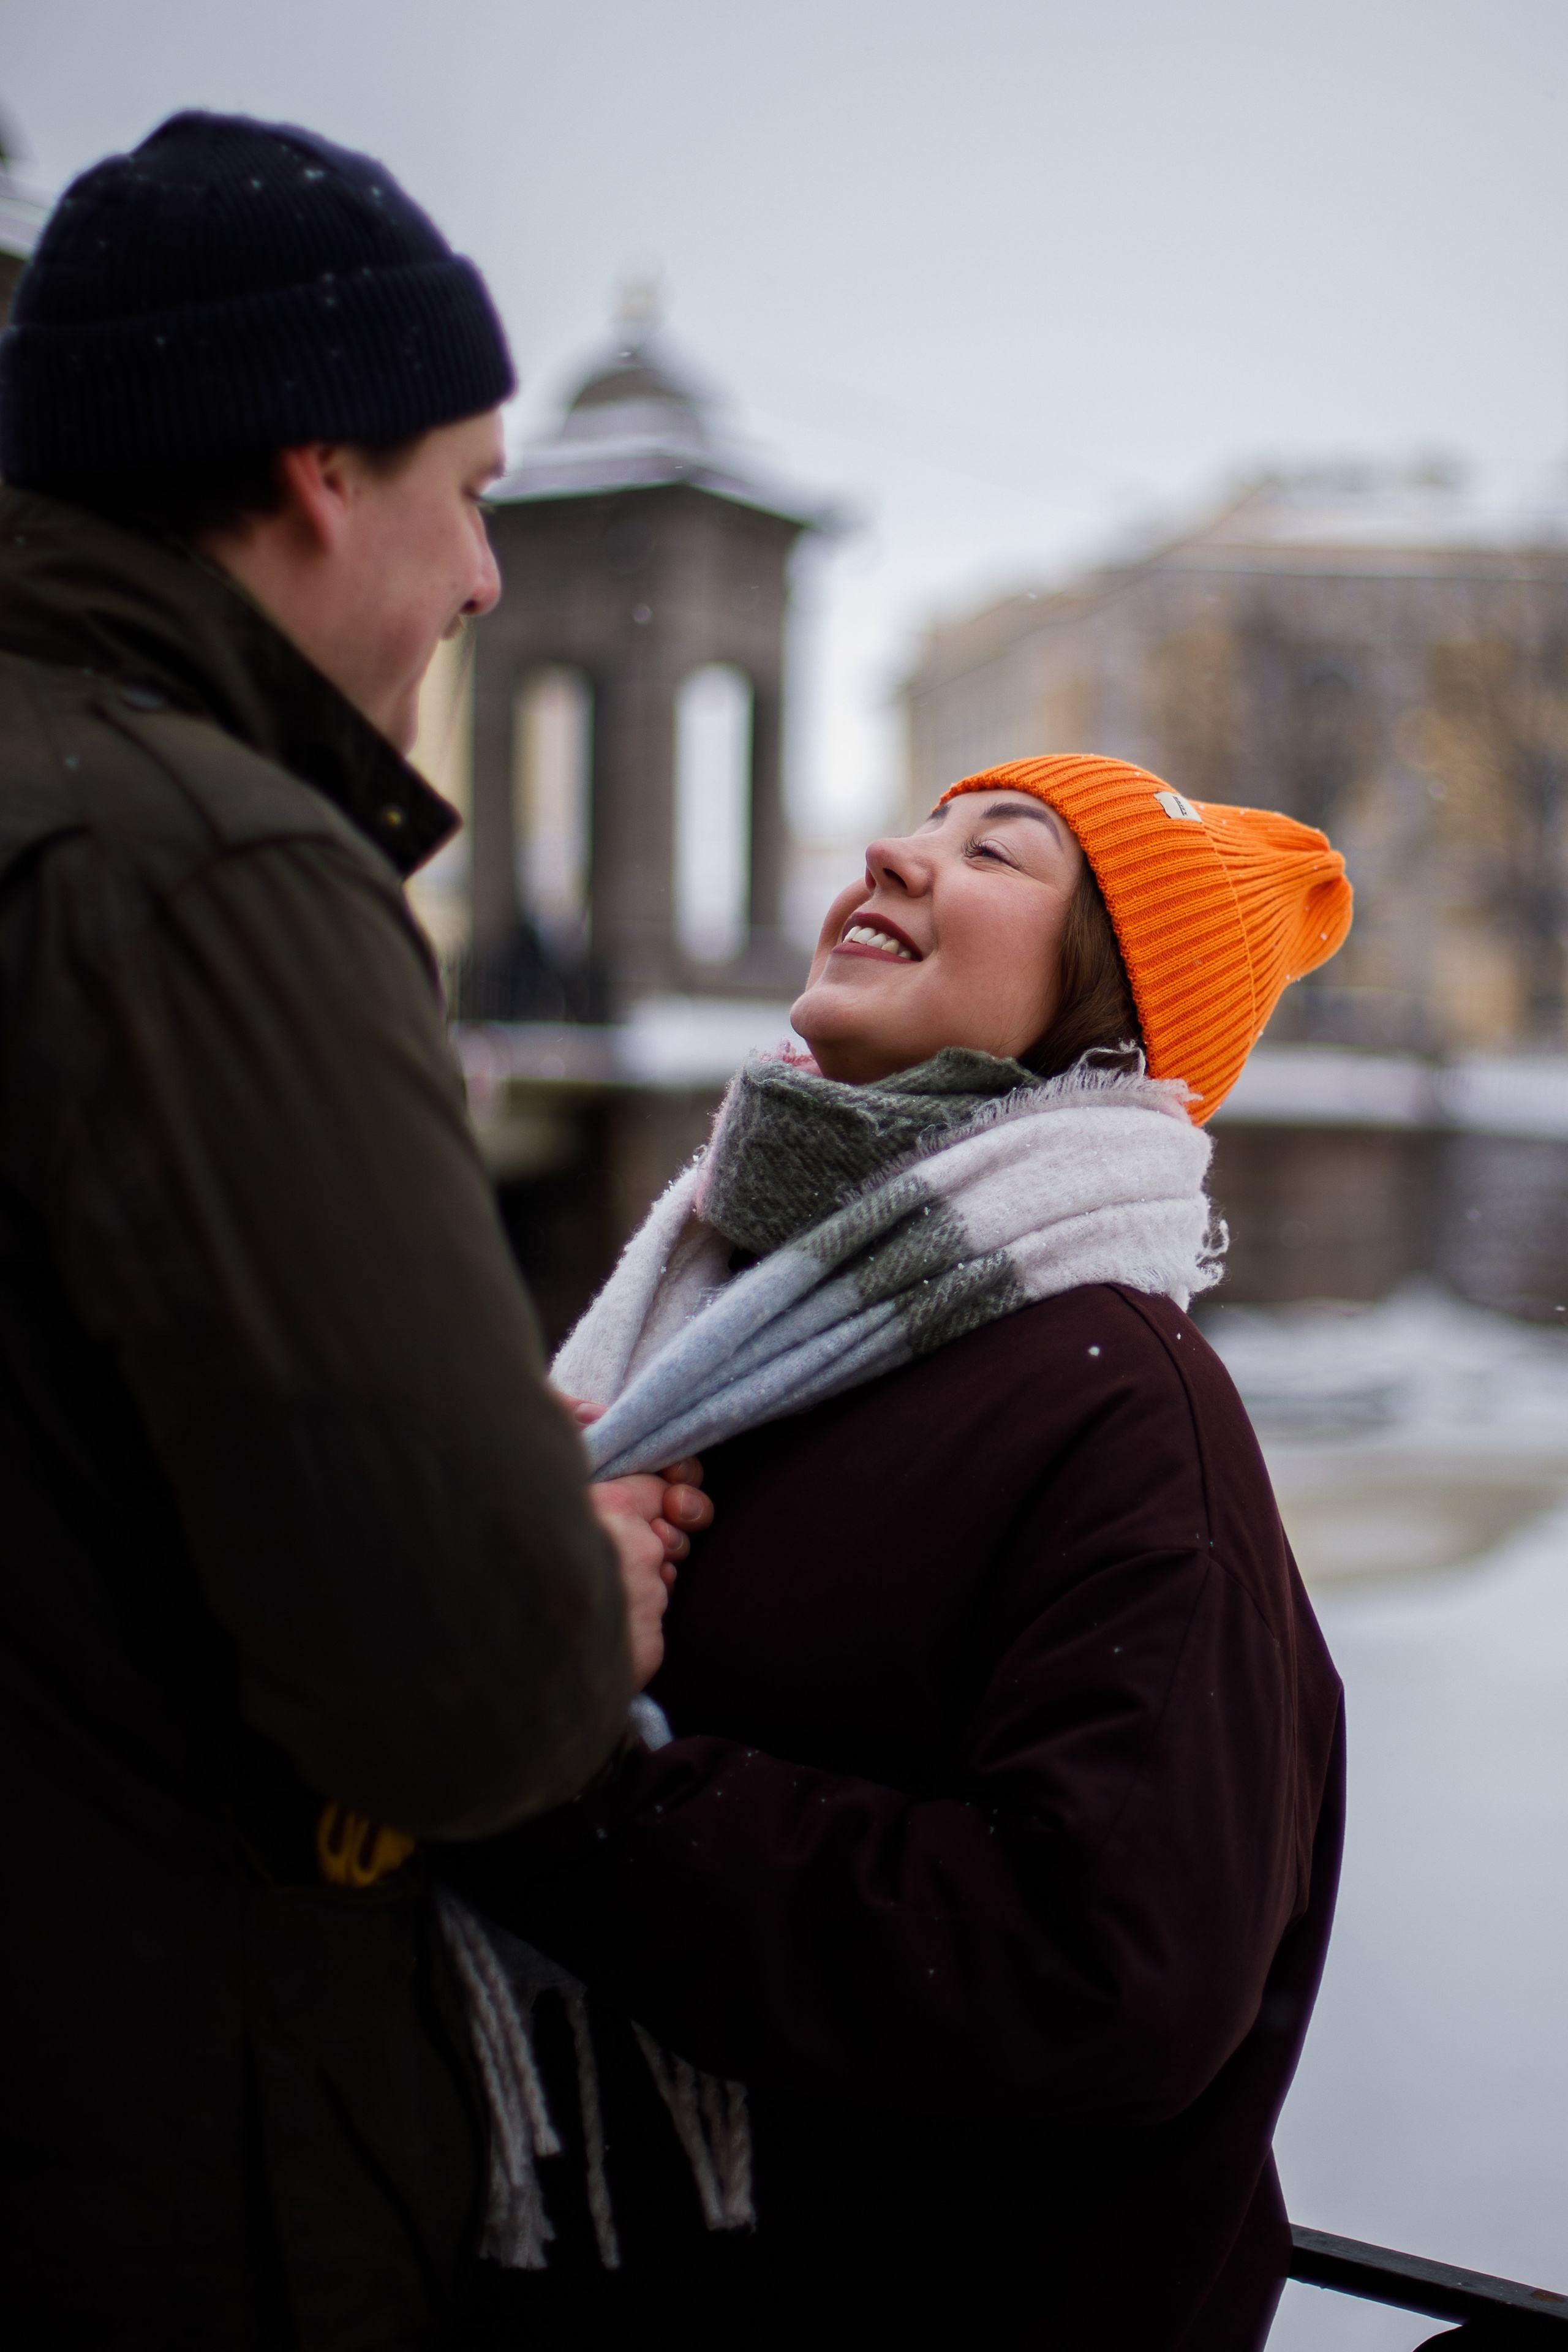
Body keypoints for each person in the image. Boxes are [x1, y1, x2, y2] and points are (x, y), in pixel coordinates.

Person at [0, 112, 697, 2350]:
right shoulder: (222, 869)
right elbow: (467, 1686)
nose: (490, 576)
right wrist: (567, 1585)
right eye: (472, 488)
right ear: (319, 472)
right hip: (150, 2162)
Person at [443, 755, 1354, 2351]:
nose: (892, 852)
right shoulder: (734, 1320)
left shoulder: (1129, 1416)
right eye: (916, 826)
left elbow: (1109, 1971)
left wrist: (582, 1808)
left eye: (994, 851)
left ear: (1107, 1014)